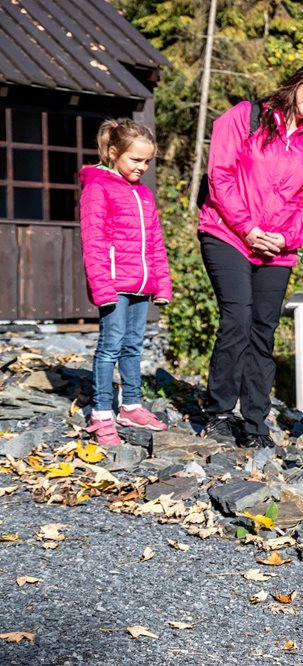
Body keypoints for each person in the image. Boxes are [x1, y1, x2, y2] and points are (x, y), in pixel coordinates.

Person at [198, 61, 303, 448]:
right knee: (238, 316)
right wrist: (248, 229)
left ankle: (255, 423)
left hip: (277, 249)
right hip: (227, 233)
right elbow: (220, 175)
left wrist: (283, 237)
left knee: (264, 330)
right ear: (297, 83)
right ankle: (219, 412)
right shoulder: (245, 118)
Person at [80, 119, 173, 446]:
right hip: (115, 285)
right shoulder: (98, 186)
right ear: (113, 152)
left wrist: (162, 284)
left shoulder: (144, 194)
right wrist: (102, 288)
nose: (142, 167)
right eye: (136, 160)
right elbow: (93, 241)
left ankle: (131, 406)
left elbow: (155, 242)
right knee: (110, 347)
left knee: (133, 346)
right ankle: (101, 413)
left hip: (141, 285)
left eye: (147, 161)